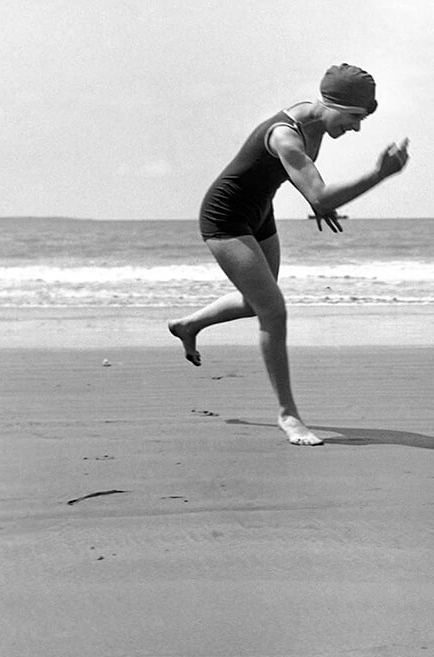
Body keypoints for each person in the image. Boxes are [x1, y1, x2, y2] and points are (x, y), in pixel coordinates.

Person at [168, 64, 409, 446]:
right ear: (332, 104)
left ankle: (189, 325)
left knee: (257, 302)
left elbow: (304, 182)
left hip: (260, 212)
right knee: (274, 310)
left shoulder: (316, 121)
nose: (357, 128)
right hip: (226, 218)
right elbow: (317, 192)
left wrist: (323, 203)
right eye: (354, 118)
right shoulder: (285, 136)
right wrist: (379, 174)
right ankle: (288, 415)